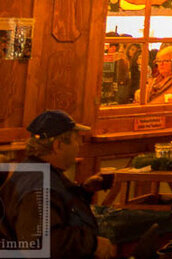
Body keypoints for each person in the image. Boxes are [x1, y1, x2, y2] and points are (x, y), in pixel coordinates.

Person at [0, 111, 116, 259]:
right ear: (58, 145)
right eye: (76, 139)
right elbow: (40, 244)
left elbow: (59, 209)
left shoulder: (37, 170)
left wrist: (83, 191)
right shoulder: (38, 186)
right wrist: (92, 244)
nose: (79, 145)